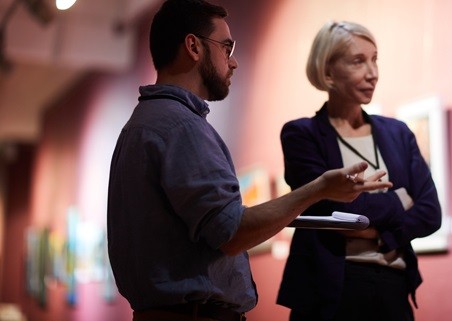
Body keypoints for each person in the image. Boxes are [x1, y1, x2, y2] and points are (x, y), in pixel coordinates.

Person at [106, 2, 393, 321]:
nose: (234, 62)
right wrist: (319, 189)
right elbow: (232, 233)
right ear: (194, 47)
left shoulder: (144, 124)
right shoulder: (181, 127)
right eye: (227, 47)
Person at [276, 21, 442, 321]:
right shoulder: (301, 134)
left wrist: (376, 232)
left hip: (393, 288)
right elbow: (326, 208)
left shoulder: (398, 133)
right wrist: (398, 201)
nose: (372, 72)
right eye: (358, 61)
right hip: (329, 292)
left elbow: (430, 213)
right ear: (327, 72)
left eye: (374, 59)